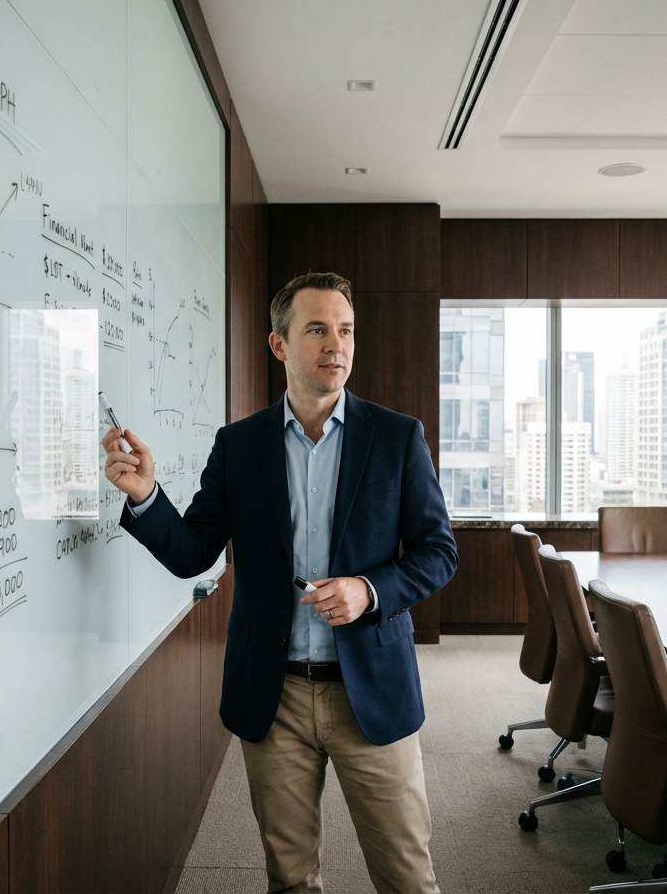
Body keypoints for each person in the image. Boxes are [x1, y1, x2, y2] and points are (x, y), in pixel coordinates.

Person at [102, 271, 457, 893]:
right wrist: (146, 497)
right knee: (290, 879)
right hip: (276, 694)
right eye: (317, 328)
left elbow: (438, 553)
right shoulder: (239, 446)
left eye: (345, 330)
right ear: (279, 345)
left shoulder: (397, 437)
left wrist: (368, 591)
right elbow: (193, 554)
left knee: (406, 876)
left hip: (368, 686)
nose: (336, 345)